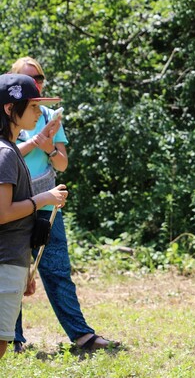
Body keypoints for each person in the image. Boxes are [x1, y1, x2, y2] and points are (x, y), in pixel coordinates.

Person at [9, 57, 118, 353]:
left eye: (40, 78)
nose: (37, 84)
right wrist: (36, 143)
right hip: (11, 203)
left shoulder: (47, 116)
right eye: (30, 78)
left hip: (47, 203)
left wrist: (49, 146)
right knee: (13, 270)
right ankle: (12, 338)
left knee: (57, 269)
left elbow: (63, 163)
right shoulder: (6, 116)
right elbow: (5, 154)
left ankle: (82, 336)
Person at [0, 73, 68, 359]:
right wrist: (44, 199)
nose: (39, 113)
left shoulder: (10, 150)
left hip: (11, 262)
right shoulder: (5, 154)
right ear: (8, 109)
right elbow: (3, 213)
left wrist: (25, 267)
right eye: (32, 107)